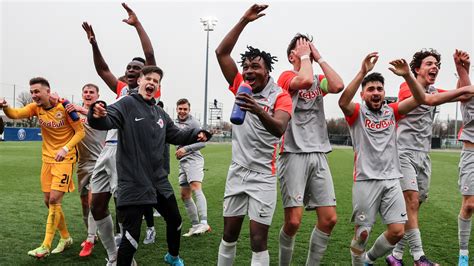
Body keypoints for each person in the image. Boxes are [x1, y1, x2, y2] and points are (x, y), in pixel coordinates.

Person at [88, 66, 211, 266]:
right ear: (139, 81)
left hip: (158, 182)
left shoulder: (159, 113)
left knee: (176, 221)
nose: (152, 83)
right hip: (133, 183)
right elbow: (105, 120)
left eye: (156, 81)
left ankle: (173, 257)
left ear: (158, 87)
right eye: (148, 79)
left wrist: (198, 133)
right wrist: (97, 113)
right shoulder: (126, 104)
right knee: (130, 239)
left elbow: (176, 135)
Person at [215, 4, 293, 265]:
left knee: (258, 241)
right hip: (237, 171)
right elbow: (221, 52)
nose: (249, 71)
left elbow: (279, 128)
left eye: (255, 67)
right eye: (246, 67)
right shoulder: (240, 86)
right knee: (228, 235)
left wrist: (258, 110)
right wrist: (243, 21)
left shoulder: (280, 96)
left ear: (267, 71)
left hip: (263, 176)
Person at [82, 3, 158, 263]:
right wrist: (93, 43)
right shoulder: (120, 91)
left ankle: (127, 257)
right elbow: (102, 70)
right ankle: (114, 256)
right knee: (97, 206)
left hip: (126, 154)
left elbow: (149, 56)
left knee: (125, 208)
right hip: (107, 150)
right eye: (128, 67)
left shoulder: (149, 91)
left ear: (145, 76)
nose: (130, 70)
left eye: (136, 68)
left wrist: (137, 25)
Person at [387, 49, 474, 266]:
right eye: (429, 63)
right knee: (412, 203)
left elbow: (464, 95)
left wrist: (464, 70)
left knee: (416, 205)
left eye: (436, 64)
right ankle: (419, 257)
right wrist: (466, 88)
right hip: (403, 153)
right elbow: (430, 100)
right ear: (416, 69)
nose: (434, 67)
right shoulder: (406, 86)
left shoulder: (434, 90)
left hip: (423, 155)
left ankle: (395, 256)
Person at [277, 34, 344, 265]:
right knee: (293, 222)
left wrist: (319, 57)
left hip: (318, 153)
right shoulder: (286, 76)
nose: (307, 50)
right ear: (291, 56)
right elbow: (303, 81)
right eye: (301, 47)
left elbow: (337, 85)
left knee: (329, 219)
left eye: (308, 46)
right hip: (293, 152)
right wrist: (305, 57)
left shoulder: (318, 80)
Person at [0, 77, 85, 258]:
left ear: (48, 91)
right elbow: (15, 114)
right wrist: (5, 106)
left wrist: (65, 148)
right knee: (48, 201)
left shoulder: (65, 108)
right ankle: (66, 238)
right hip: (47, 159)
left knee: (54, 199)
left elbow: (80, 132)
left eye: (37, 92)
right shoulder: (35, 108)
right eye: (32, 92)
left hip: (65, 158)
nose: (34, 95)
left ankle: (45, 245)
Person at [65, 83, 107, 257]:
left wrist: (81, 110)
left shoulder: (100, 111)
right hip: (82, 164)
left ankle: (90, 239)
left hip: (99, 163)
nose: (88, 94)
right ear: (82, 94)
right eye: (85, 92)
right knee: (84, 202)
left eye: (92, 92)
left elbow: (101, 117)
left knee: (92, 201)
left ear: (97, 96)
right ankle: (92, 233)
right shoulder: (76, 115)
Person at [175, 98, 210, 237]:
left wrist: (186, 149)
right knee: (185, 195)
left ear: (189, 110)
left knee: (196, 187)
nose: (182, 111)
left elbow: (203, 143)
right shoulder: (174, 123)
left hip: (193, 158)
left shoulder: (194, 123)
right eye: (180, 109)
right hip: (182, 161)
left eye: (185, 109)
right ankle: (195, 225)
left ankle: (204, 222)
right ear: (177, 109)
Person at [453, 50, 472, 266]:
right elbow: (464, 87)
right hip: (472, 153)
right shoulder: (470, 93)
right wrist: (461, 66)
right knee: (469, 205)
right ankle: (463, 254)